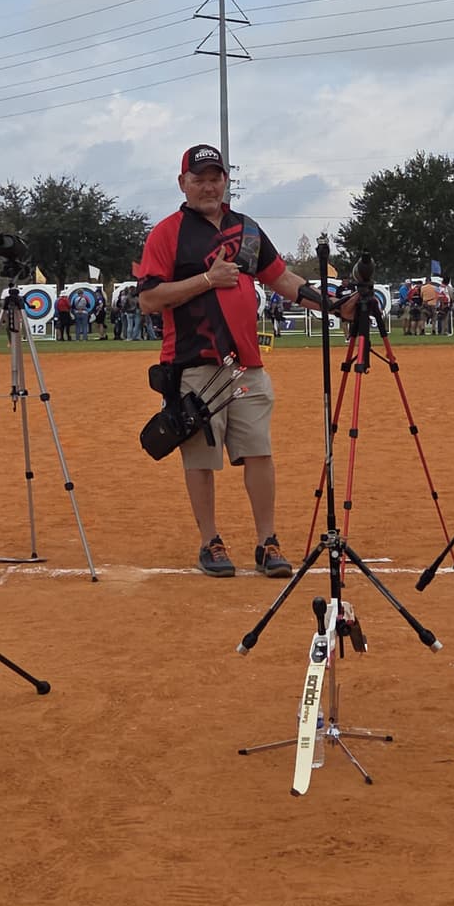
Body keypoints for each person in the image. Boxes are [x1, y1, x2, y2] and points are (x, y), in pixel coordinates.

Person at [137, 143, 319, 580]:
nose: (208, 185)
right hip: (193, 364)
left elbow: (282, 279)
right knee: (201, 457)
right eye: (198, 178)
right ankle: (210, 541)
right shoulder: (168, 233)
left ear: (226, 181)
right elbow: (148, 299)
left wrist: (333, 303)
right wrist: (207, 279)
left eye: (215, 177)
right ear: (183, 183)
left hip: (246, 366)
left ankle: (267, 541)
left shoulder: (248, 230)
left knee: (259, 451)